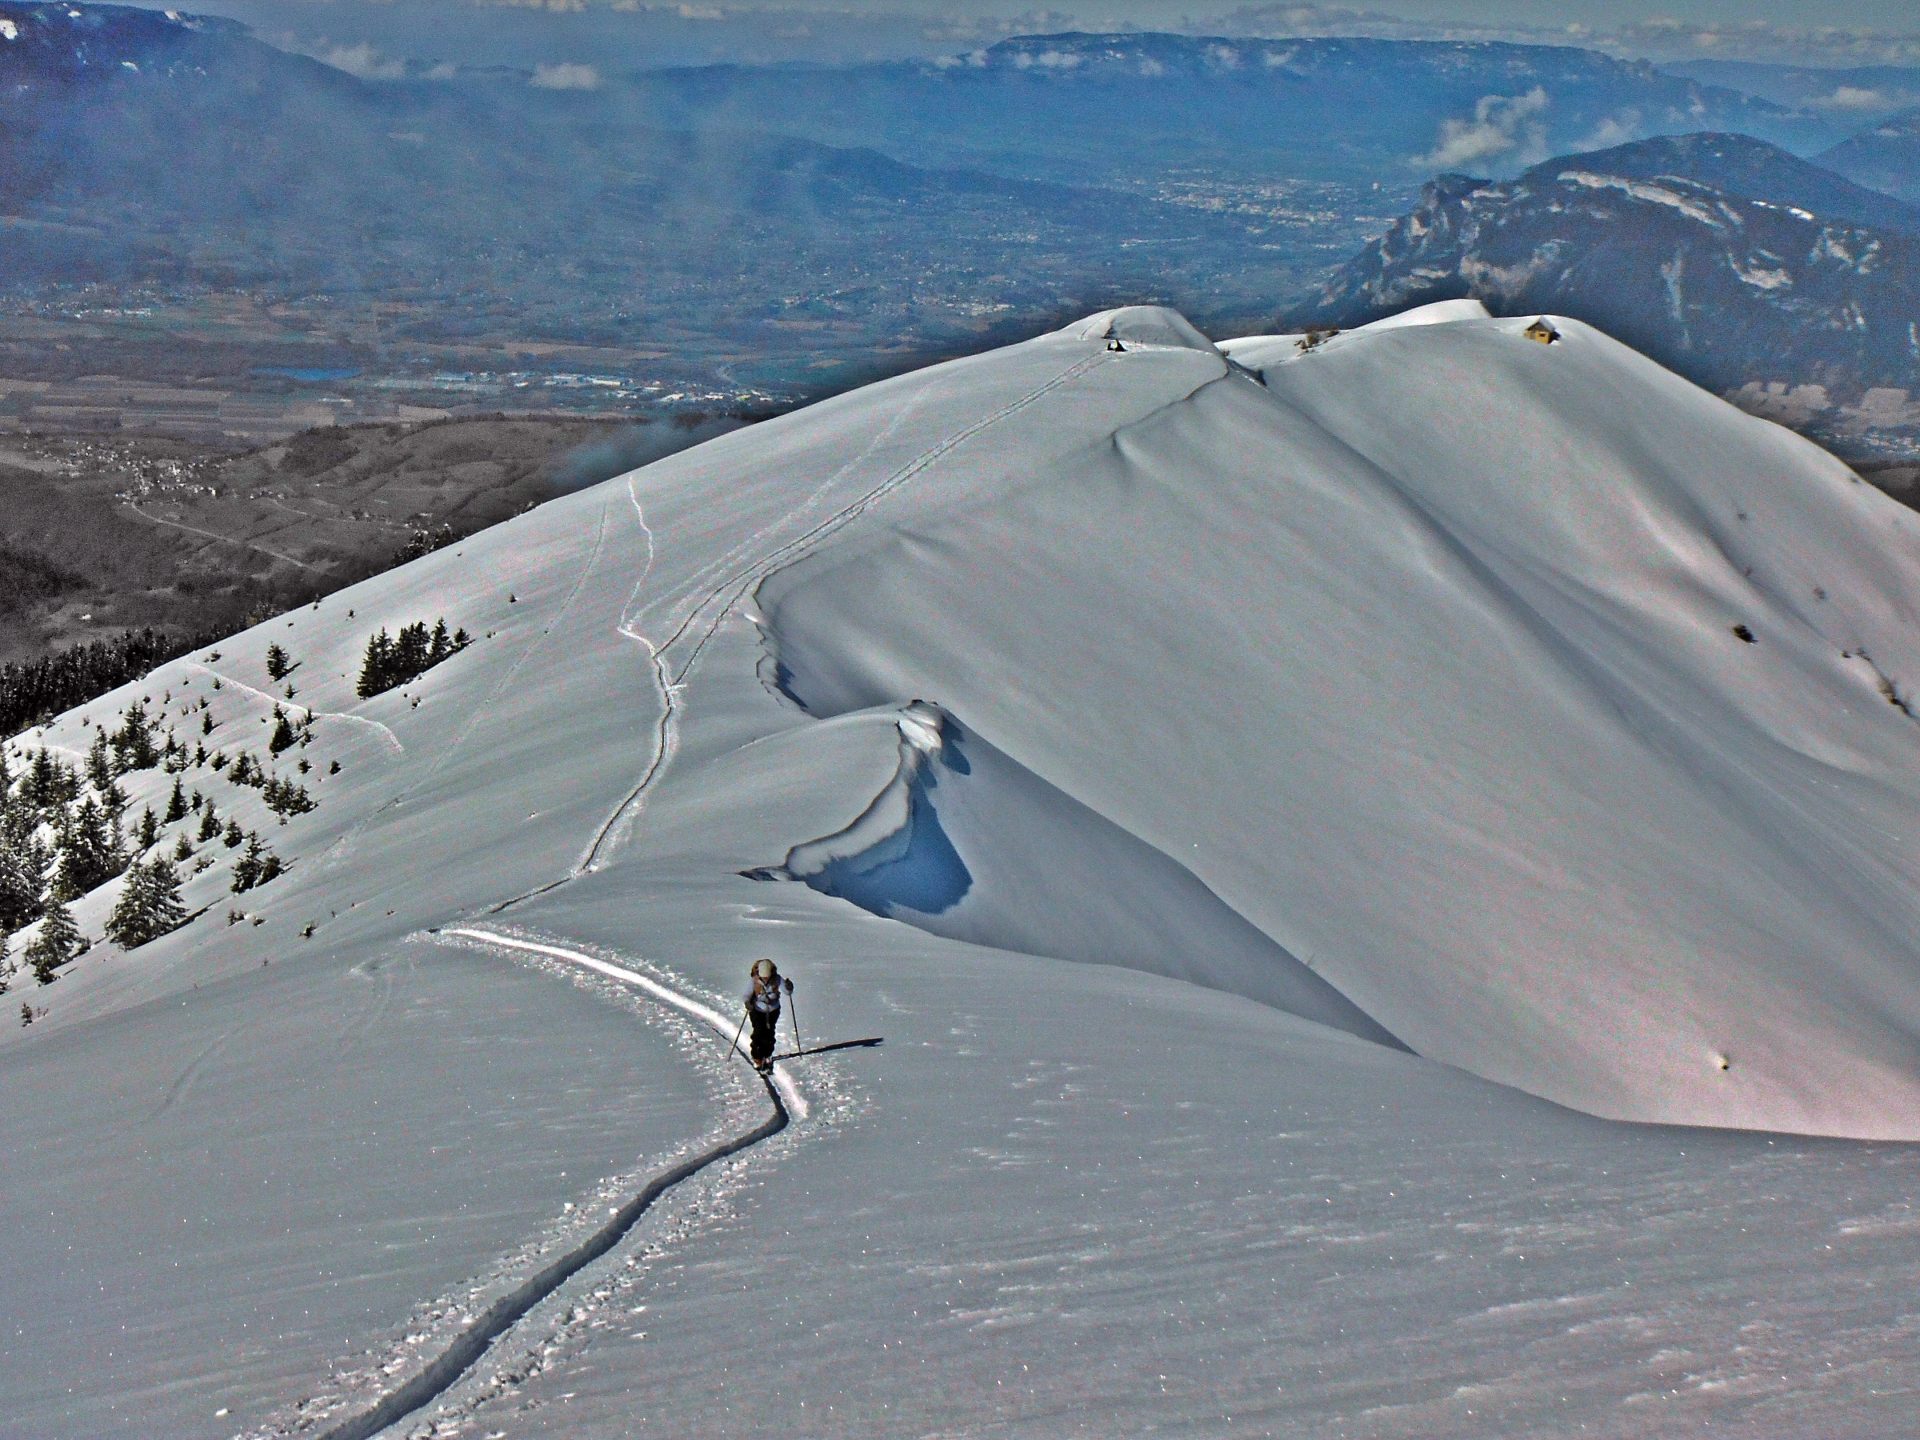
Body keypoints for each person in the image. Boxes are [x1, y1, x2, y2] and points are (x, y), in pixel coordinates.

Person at [743, 957, 793, 1073]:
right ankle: (757, 1057)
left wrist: (789, 986)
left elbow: (787, 992)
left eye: (767, 976)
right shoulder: (754, 980)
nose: (765, 978)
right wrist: (747, 1003)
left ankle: (767, 1055)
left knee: (769, 1033)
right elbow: (746, 995)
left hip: (773, 1010)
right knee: (758, 1033)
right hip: (757, 1010)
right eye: (763, 976)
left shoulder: (777, 979)